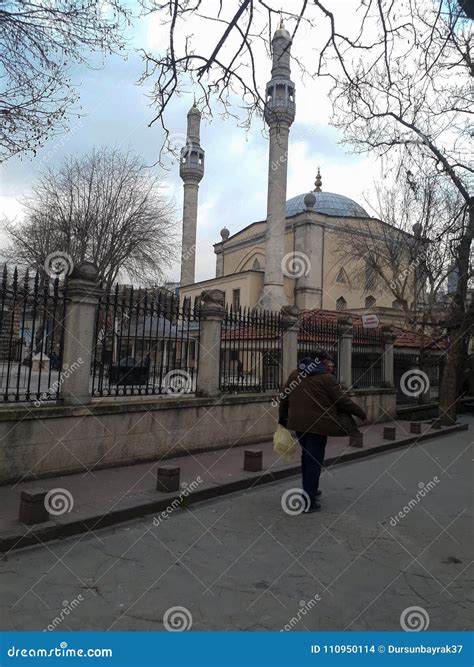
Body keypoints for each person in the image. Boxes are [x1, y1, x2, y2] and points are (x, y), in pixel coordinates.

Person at [279, 350, 367, 514]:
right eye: (329, 361)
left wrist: (282, 419)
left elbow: (284, 397)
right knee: (314, 461)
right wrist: (361, 413)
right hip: (318, 427)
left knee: (307, 458)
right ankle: (309, 501)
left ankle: (310, 490)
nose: (331, 365)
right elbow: (342, 401)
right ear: (320, 361)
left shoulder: (295, 374)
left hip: (298, 425)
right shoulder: (326, 378)